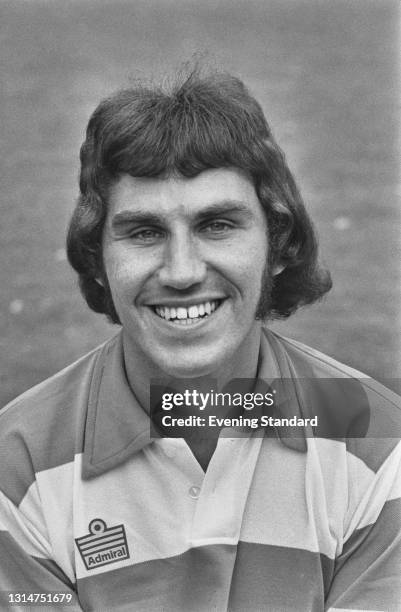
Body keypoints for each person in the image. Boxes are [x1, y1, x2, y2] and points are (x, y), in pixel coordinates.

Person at [0, 68, 400, 612]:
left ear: (278, 245)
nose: (182, 271)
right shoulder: (17, 467)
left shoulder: (376, 443)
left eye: (217, 224)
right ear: (97, 260)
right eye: (144, 232)